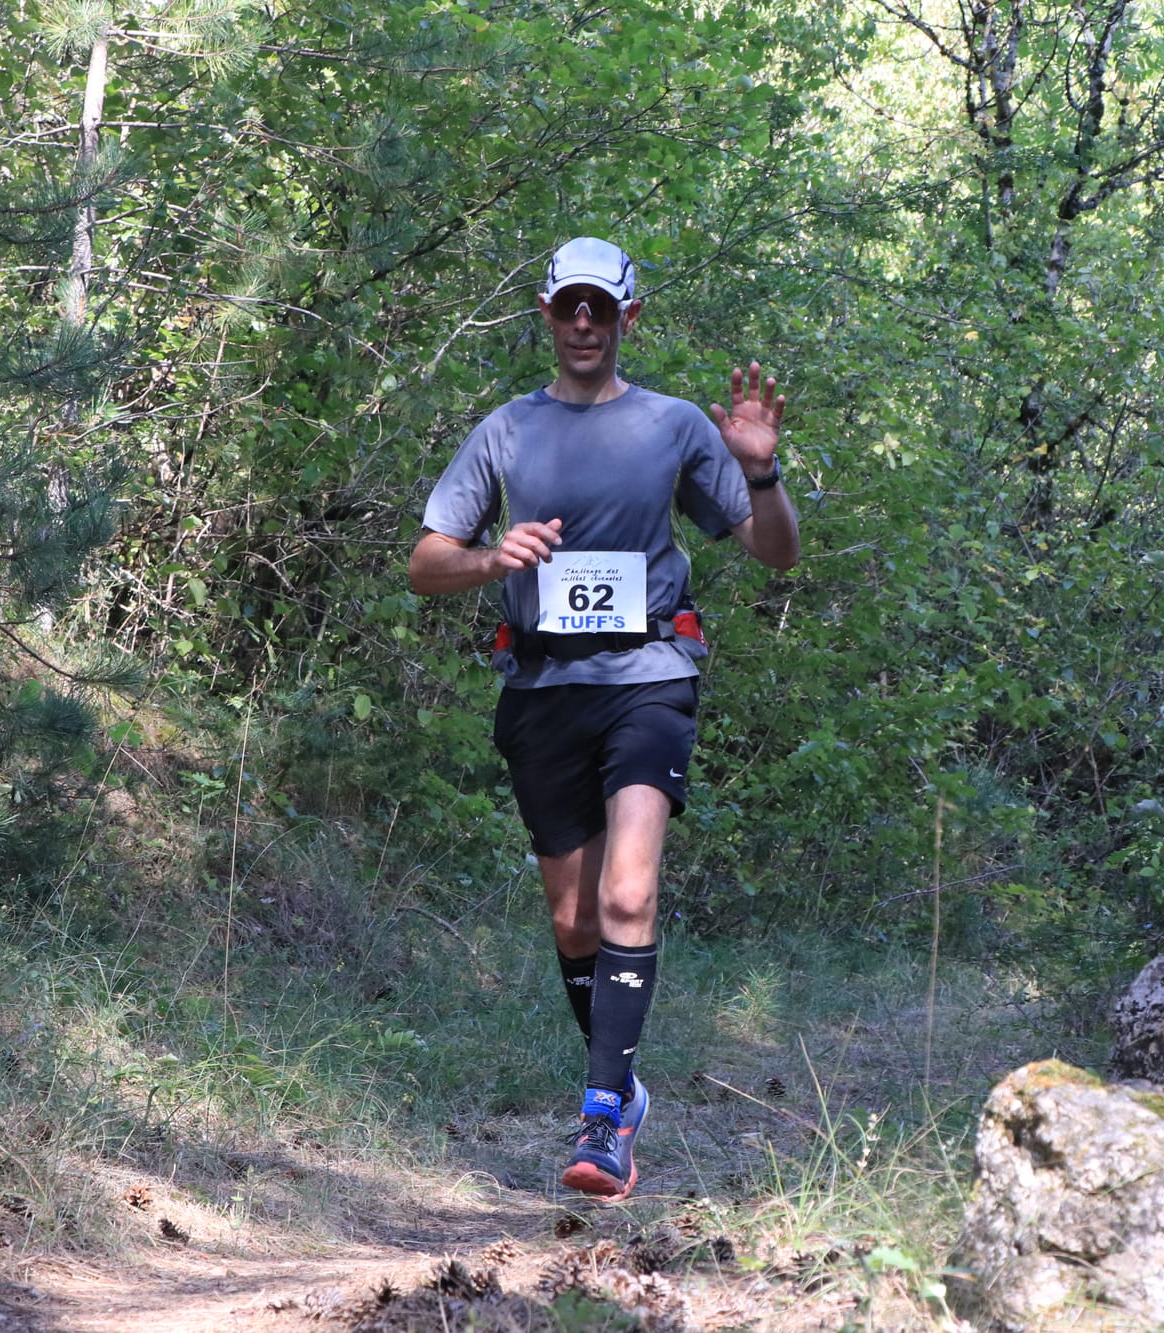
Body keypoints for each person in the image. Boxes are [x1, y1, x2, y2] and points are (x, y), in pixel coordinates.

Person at [408, 236, 801, 1200]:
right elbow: (425, 567)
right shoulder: (505, 430)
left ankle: (599, 1119)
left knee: (628, 897)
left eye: (601, 308)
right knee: (574, 919)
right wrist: (492, 560)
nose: (583, 323)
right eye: (567, 307)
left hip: (649, 679)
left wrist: (760, 471)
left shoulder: (672, 426)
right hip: (542, 688)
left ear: (630, 318)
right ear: (545, 315)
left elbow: (777, 554)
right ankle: (622, 1085)